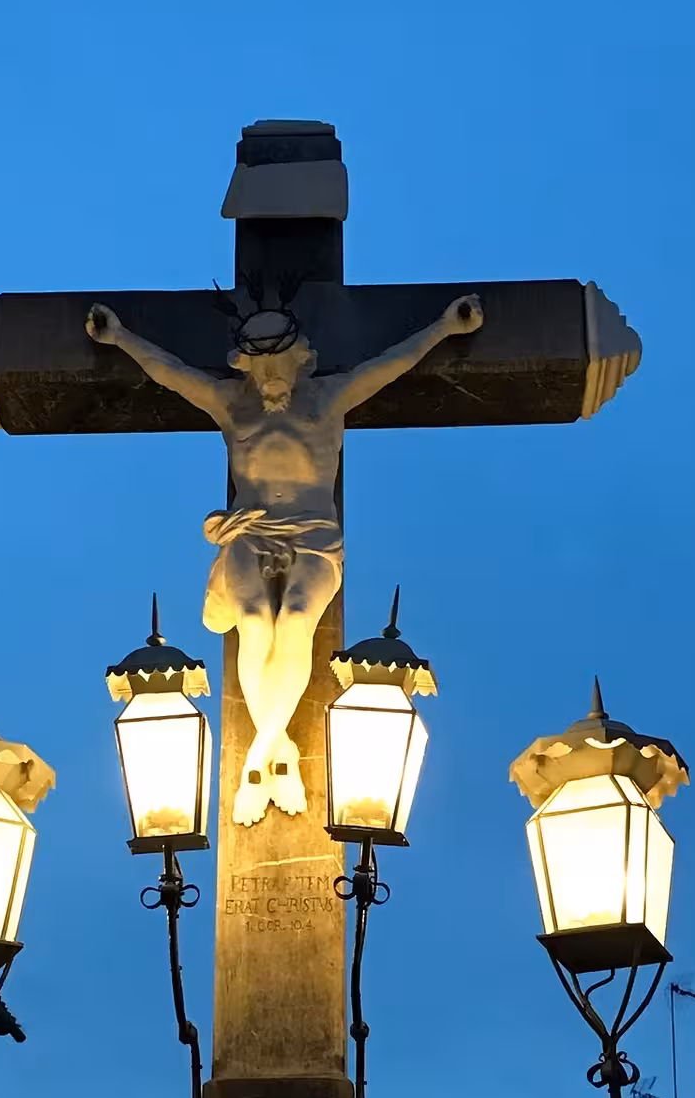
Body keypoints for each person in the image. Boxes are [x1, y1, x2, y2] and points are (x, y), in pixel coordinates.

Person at [87, 293, 483, 823]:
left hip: (315, 535)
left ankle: (262, 753)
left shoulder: (328, 400)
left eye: (280, 368)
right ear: (246, 367)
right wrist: (119, 338)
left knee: (294, 621)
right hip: (251, 531)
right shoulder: (232, 404)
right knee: (253, 622)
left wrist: (442, 329)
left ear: (300, 361)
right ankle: (278, 755)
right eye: (261, 369)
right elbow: (170, 373)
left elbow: (390, 366)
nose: (271, 380)